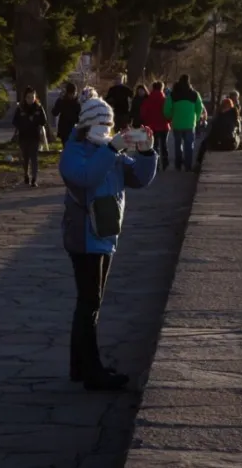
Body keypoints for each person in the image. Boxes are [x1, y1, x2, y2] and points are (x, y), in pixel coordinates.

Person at [58, 90, 158, 391]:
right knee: (89, 303)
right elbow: (86, 177)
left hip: (105, 234)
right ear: (86, 126)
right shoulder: (75, 151)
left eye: (109, 126)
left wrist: (145, 152)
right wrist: (112, 148)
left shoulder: (110, 152)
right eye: (100, 126)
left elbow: (139, 179)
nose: (106, 131)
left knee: (90, 303)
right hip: (85, 236)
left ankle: (81, 366)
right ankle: (92, 371)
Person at [164, 74, 203, 172]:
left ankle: (178, 165)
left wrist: (170, 117)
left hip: (177, 123)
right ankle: (188, 166)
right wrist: (196, 118)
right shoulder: (194, 94)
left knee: (178, 145)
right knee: (189, 146)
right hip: (190, 124)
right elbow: (200, 108)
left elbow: (166, 109)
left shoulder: (173, 94)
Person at [12, 86, 48, 186]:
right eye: (28, 97)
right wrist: (22, 126)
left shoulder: (38, 107)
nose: (30, 100)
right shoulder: (20, 108)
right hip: (23, 136)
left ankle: (34, 178)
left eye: (32, 97)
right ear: (25, 98)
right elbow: (15, 121)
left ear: (35, 97)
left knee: (34, 158)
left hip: (34, 136)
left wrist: (36, 121)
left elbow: (44, 120)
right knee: (25, 158)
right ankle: (26, 175)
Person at [141, 81, 171, 170]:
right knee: (164, 145)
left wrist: (146, 122)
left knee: (155, 146)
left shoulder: (148, 100)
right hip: (164, 125)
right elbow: (168, 112)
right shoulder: (165, 100)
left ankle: (156, 164)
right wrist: (169, 121)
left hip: (152, 126)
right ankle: (165, 163)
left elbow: (143, 113)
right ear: (162, 88)